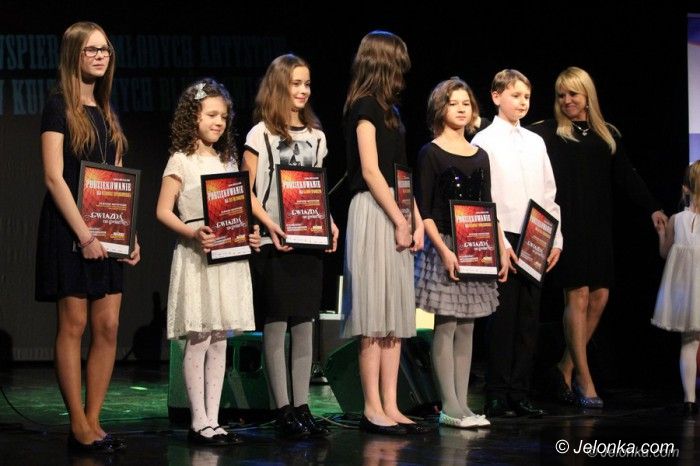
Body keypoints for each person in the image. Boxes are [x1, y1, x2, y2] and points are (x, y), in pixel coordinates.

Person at [530, 66, 667, 408]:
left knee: (600, 296)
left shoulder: (608, 135)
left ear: (587, 95)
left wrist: (653, 207)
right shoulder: (547, 132)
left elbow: (627, 176)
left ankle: (564, 367)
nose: (567, 101)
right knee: (576, 296)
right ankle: (584, 378)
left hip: (598, 225)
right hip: (567, 226)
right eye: (561, 95)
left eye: (573, 94)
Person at [35, 21, 139, 453]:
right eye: (92, 50)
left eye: (105, 50)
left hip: (107, 231)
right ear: (73, 55)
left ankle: (94, 421)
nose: (100, 56)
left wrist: (127, 235)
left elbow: (116, 179)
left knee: (108, 326)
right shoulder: (58, 106)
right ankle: (77, 424)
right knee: (74, 324)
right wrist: (85, 235)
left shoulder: (107, 110)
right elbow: (54, 177)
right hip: (70, 229)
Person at [156, 79, 258, 445]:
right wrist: (192, 231)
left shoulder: (227, 160)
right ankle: (198, 421)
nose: (219, 122)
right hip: (198, 257)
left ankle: (214, 420)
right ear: (193, 116)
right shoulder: (181, 161)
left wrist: (248, 234)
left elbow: (236, 210)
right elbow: (162, 211)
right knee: (199, 337)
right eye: (211, 114)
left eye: (224, 116)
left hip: (227, 260)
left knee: (220, 339)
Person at [241, 54, 338, 439]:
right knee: (277, 322)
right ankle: (282, 409)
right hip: (273, 242)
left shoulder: (317, 137)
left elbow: (317, 190)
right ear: (279, 86)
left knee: (304, 325)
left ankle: (302, 407)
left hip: (307, 241)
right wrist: (269, 224)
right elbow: (245, 191)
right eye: (295, 83)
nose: (303, 90)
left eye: (307, 84)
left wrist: (329, 223)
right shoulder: (259, 134)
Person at [341, 30, 429, 435]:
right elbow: (371, 171)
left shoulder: (391, 111)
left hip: (396, 209)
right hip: (375, 210)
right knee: (374, 316)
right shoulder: (363, 107)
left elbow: (401, 174)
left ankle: (392, 404)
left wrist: (416, 218)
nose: (402, 73)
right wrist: (398, 219)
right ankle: (371, 407)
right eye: (398, 64)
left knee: (394, 316)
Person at [414, 77, 509, 428]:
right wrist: (443, 250)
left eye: (465, 103)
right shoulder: (431, 152)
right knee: (448, 323)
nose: (460, 108)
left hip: (475, 244)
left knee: (468, 325)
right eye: (453, 103)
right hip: (445, 244)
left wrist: (499, 248)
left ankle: (463, 404)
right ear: (440, 108)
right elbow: (424, 210)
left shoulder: (480, 155)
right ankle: (449, 406)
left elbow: (488, 207)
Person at [471, 69, 562, 418]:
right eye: (515, 95)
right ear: (496, 96)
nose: (522, 102)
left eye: (526, 96)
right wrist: (497, 241)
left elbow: (549, 193)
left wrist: (556, 239)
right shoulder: (484, 140)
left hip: (535, 235)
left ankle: (520, 391)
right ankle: (496, 391)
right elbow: (485, 196)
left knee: (528, 317)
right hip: (503, 235)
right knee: (502, 317)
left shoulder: (535, 142)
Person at [651, 161, 700, 416]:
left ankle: (689, 399)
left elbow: (664, 252)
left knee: (689, 343)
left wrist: (661, 233)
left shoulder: (676, 220)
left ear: (685, 189)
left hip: (687, 292)